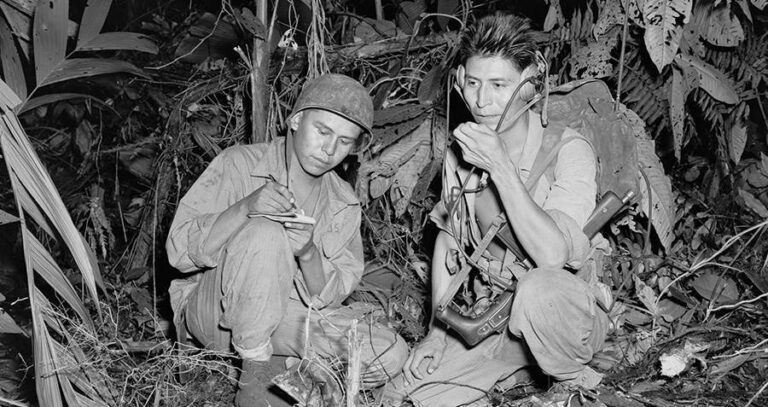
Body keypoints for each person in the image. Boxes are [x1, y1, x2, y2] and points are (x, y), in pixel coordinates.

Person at [382, 13, 612, 406]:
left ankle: (574, 383)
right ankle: (519, 370)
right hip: (496, 315)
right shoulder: (462, 153)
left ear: (530, 84)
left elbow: (553, 257)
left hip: (563, 318)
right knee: (407, 392)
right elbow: (449, 241)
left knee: (539, 290)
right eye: (473, 83)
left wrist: (501, 167)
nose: (482, 100)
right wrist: (437, 333)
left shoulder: (567, 151)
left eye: (499, 85)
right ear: (459, 80)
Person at [166, 73, 408, 406]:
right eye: (322, 131)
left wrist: (307, 253)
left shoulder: (343, 202)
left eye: (344, 141)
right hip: (215, 314)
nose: (329, 149)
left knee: (389, 351)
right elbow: (179, 252)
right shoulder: (239, 164)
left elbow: (330, 298)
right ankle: (254, 378)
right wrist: (245, 208)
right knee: (266, 232)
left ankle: (290, 368)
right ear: (295, 120)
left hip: (284, 319)